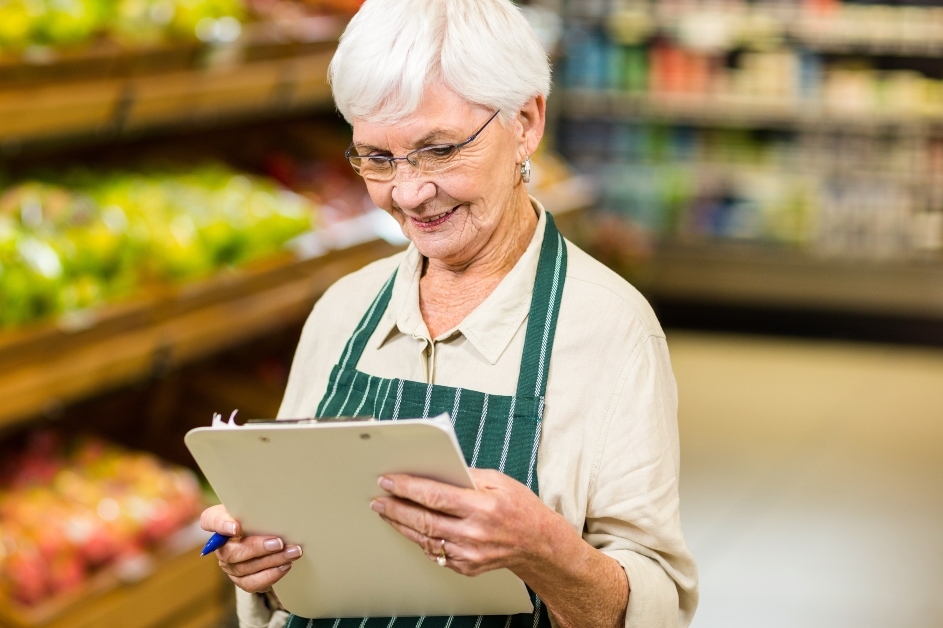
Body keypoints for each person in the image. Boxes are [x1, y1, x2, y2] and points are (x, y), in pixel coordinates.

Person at [199, 0, 698, 625]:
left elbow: (656, 609)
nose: (408, 193)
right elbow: (287, 570)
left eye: (438, 150)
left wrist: (543, 551)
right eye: (377, 158)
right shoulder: (343, 311)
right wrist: (259, 563)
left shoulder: (610, 330)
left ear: (525, 123)